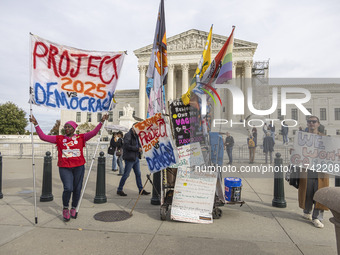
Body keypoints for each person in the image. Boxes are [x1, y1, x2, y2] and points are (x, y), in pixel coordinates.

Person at [29, 114, 108, 221]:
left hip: (79, 167)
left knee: (77, 189)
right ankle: (66, 207)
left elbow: (93, 132)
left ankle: (74, 207)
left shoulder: (81, 137)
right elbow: (43, 137)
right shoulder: (59, 138)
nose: (66, 128)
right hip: (65, 167)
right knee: (68, 188)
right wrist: (36, 124)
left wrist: (102, 122)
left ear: (74, 128)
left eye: (68, 127)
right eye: (65, 127)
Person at [297, 116, 329, 228]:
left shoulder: (324, 138)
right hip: (307, 170)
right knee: (308, 192)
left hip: (320, 171)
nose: (311, 123)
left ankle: (317, 218)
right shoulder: (302, 138)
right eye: (309, 122)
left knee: (319, 194)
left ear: (318, 124)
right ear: (307, 124)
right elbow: (298, 151)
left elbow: (331, 152)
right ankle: (307, 212)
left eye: (314, 122)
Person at [116, 124, 150, 196]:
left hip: (136, 157)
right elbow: (127, 146)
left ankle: (141, 189)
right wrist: (137, 149)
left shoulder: (136, 135)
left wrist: (140, 148)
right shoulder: (128, 135)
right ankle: (119, 189)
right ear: (133, 128)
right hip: (130, 158)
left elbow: (139, 144)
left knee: (138, 174)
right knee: (126, 174)